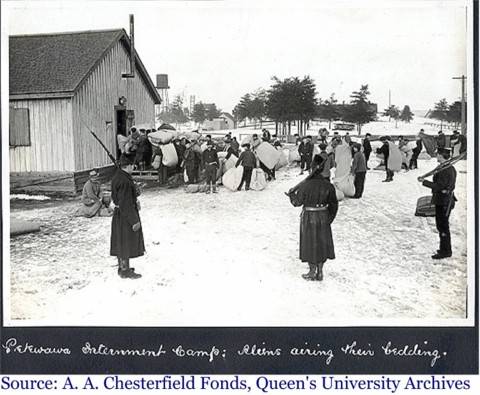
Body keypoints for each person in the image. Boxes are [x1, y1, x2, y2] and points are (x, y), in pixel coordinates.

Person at [287, 154, 338, 281]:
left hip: (309, 217)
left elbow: (297, 203)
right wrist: (328, 219)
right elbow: (334, 205)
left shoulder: (305, 185)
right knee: (321, 244)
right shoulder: (328, 185)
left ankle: (312, 271)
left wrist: (292, 195)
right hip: (323, 216)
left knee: (310, 244)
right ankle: (320, 271)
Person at [418, 148, 457, 259]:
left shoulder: (446, 169)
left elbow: (440, 186)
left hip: (444, 201)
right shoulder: (447, 167)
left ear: (441, 155)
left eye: (438, 154)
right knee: (442, 226)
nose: (436, 156)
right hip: (444, 199)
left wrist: (424, 182)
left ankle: (446, 251)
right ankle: (444, 248)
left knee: (443, 226)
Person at [110, 155, 144, 279]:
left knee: (121, 241)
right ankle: (125, 271)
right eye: (132, 165)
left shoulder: (119, 176)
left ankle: (122, 267)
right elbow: (125, 202)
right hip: (125, 215)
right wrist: (134, 220)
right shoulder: (124, 180)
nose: (133, 167)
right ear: (128, 166)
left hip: (120, 214)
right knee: (125, 242)